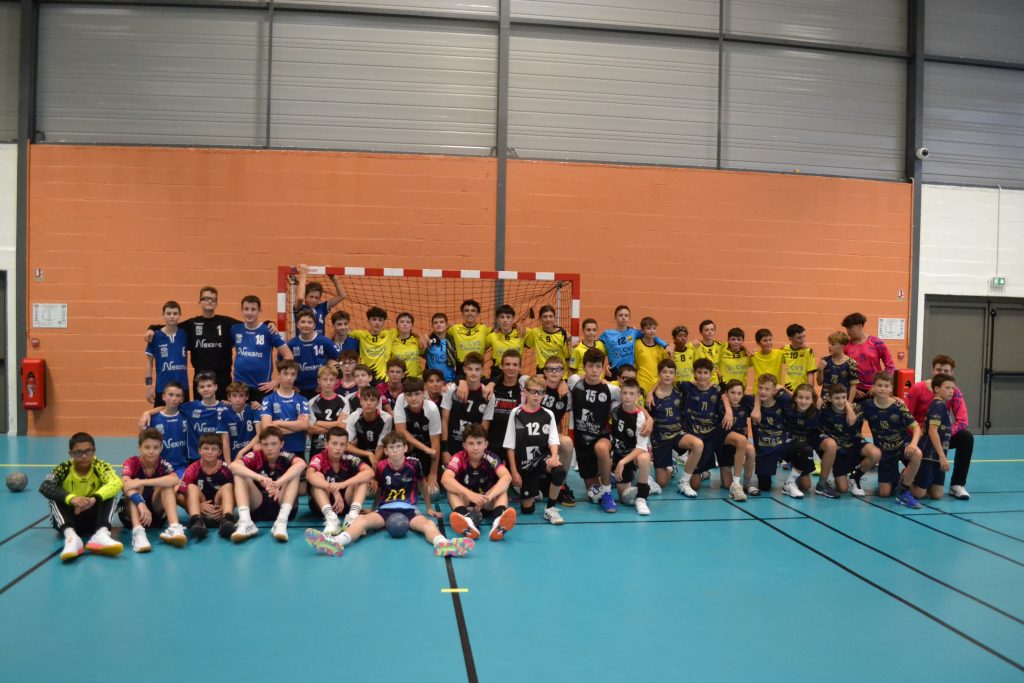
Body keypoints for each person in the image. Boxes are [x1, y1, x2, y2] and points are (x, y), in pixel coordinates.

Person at [304, 432, 474, 558]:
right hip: (385, 509)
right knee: (361, 520)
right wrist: (373, 508)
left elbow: (422, 485)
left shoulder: (414, 464)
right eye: (391, 448)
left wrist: (428, 507)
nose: (395, 451)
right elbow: (380, 489)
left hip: (409, 509)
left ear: (405, 448)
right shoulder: (381, 466)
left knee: (428, 524)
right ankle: (336, 542)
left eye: (399, 447)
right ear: (385, 451)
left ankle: (442, 544)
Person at [144, 286, 253, 401]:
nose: (209, 301)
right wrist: (152, 328)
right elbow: (170, 326)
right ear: (199, 301)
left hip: (223, 380)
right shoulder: (192, 324)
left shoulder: (227, 323)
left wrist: (266, 324)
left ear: (217, 303)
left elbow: (250, 326)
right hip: (201, 381)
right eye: (205, 298)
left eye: (213, 299)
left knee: (223, 411)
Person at [40, 432, 124, 562]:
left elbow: (116, 482)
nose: (84, 456)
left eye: (88, 451)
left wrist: (93, 499)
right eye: (78, 452)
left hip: (94, 519)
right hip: (72, 518)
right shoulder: (64, 468)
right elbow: (45, 486)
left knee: (110, 493)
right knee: (55, 496)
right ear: (71, 454)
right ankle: (72, 538)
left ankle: (101, 534)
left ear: (94, 451)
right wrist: (72, 498)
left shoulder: (100, 466)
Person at [906, 355, 973, 500]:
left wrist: (944, 435)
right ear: (932, 370)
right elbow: (906, 416)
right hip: (918, 435)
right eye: (938, 370)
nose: (942, 373)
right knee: (921, 492)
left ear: (952, 373)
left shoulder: (953, 391)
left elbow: (962, 421)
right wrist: (920, 434)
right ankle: (905, 479)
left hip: (938, 435)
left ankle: (957, 484)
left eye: (946, 371)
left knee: (966, 437)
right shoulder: (918, 388)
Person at [504, 375, 567, 525]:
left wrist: (554, 457)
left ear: (544, 394)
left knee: (559, 471)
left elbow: (553, 440)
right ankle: (532, 492)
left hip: (542, 458)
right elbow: (510, 445)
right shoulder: (516, 413)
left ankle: (550, 508)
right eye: (533, 391)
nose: (536, 395)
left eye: (540, 392)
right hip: (524, 464)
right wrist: (514, 471)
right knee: (527, 510)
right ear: (525, 392)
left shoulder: (548, 414)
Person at [229, 427, 306, 543]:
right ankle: (246, 522)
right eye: (265, 444)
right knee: (239, 473)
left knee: (295, 471)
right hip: (258, 505)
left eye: (274, 444)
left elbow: (302, 464)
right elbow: (233, 466)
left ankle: (281, 522)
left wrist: (278, 483)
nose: (269, 448)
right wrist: (259, 478)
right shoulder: (256, 456)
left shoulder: (287, 456)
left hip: (282, 502)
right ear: (261, 445)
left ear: (281, 444)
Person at [443, 424, 517, 542]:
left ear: (485, 444)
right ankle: (466, 520)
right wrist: (470, 494)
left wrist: (488, 497)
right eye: (471, 443)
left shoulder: (491, 457)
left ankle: (498, 522)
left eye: (479, 443)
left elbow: (507, 477)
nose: (475, 448)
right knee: (451, 490)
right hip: (466, 501)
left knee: (502, 490)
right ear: (465, 445)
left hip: (486, 502)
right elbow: (445, 479)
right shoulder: (459, 457)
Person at [119, 428, 187, 553]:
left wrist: (142, 482)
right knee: (134, 484)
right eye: (147, 447)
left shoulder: (163, 464)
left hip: (156, 516)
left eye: (155, 447)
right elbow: (126, 484)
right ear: (139, 448)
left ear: (161, 448)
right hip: (131, 515)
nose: (151, 451)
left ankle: (174, 527)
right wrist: (140, 502)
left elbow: (174, 480)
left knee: (166, 485)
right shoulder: (132, 462)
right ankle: (138, 533)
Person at [141, 371, 229, 467]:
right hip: (195, 459)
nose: (206, 389)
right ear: (198, 389)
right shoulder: (190, 407)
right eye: (202, 387)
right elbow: (169, 407)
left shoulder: (225, 408)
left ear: (215, 387)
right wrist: (148, 412)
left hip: (217, 458)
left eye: (209, 386)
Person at [861, 372, 923, 508]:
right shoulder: (867, 405)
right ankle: (899, 478)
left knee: (917, 454)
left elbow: (916, 428)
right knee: (884, 493)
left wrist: (913, 444)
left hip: (902, 446)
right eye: (879, 385)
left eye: (886, 386)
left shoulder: (898, 405)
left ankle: (904, 491)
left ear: (891, 388)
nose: (883, 389)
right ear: (873, 387)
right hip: (885, 452)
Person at [569, 349, 619, 512]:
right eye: (590, 366)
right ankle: (607, 478)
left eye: (598, 366)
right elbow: (564, 382)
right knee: (593, 494)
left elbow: (632, 400)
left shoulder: (611, 389)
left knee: (601, 448)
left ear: (603, 368)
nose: (594, 370)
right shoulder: (574, 383)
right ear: (584, 367)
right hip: (582, 443)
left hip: (602, 436)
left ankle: (608, 493)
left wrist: (647, 418)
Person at [676, 358, 733, 498]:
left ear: (710, 374)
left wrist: (729, 411)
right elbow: (667, 380)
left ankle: (704, 471)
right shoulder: (687, 387)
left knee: (727, 483)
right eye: (699, 372)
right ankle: (700, 473)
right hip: (695, 436)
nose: (702, 376)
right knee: (695, 485)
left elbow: (724, 395)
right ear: (694, 373)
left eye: (705, 373)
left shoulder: (716, 390)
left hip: (711, 436)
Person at [750, 375, 814, 498]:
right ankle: (775, 469)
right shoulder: (751, 402)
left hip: (783, 445)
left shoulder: (782, 400)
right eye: (760, 388)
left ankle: (790, 482)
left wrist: (784, 389)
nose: (763, 391)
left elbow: (799, 400)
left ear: (774, 390)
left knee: (806, 451)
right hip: (765, 450)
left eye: (767, 389)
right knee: (764, 486)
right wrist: (757, 407)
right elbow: (727, 396)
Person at [526, 354, 576, 506]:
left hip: (549, 434)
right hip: (529, 432)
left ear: (563, 372)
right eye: (550, 369)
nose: (554, 372)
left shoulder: (567, 394)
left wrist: (563, 382)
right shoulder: (536, 385)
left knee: (567, 442)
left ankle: (560, 483)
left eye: (558, 369)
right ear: (544, 372)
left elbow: (558, 420)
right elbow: (523, 379)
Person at [306, 427, 373, 534]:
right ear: (326, 444)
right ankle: (331, 519)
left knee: (362, 478)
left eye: (342, 444)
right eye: (334, 443)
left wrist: (343, 484)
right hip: (323, 505)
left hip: (346, 504)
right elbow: (309, 476)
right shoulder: (319, 457)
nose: (338, 448)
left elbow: (370, 472)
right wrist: (333, 489)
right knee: (317, 476)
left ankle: (352, 517)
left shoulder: (350, 457)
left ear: (346, 446)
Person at [818, 385, 881, 497]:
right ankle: (837, 474)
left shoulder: (855, 408)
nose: (841, 401)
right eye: (837, 398)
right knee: (843, 489)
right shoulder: (825, 409)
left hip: (855, 444)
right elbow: (815, 400)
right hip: (840, 451)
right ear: (830, 399)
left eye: (844, 398)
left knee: (876, 454)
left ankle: (855, 477)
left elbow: (878, 404)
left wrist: (848, 407)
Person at [232, 295, 293, 402]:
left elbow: (289, 356)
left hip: (261, 388)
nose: (249, 313)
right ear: (241, 310)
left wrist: (277, 381)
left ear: (259, 311)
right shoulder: (235, 329)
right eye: (246, 309)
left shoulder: (268, 330)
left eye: (253, 309)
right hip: (239, 387)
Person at [179, 433, 236, 539]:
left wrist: (226, 507)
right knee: (191, 487)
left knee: (228, 486)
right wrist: (197, 506)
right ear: (199, 450)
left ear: (220, 452)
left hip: (220, 511)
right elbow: (179, 496)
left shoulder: (226, 469)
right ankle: (196, 521)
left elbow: (238, 493)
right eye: (206, 448)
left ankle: (227, 520)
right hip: (200, 511)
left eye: (214, 449)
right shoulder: (192, 469)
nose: (210, 452)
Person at [609, 379, 653, 516]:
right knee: (626, 498)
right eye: (625, 393)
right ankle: (648, 484)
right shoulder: (615, 408)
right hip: (619, 453)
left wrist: (622, 462)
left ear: (638, 396)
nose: (627, 396)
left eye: (632, 394)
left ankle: (642, 497)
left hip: (634, 454)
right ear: (620, 393)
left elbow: (641, 447)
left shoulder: (640, 417)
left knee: (644, 458)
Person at [392, 377, 443, 494]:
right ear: (404, 395)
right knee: (401, 486)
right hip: (408, 447)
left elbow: (435, 443)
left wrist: (433, 474)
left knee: (431, 492)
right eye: (409, 395)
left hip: (427, 447)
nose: (413, 398)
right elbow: (400, 430)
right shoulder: (401, 399)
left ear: (424, 392)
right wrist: (425, 448)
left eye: (417, 394)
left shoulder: (431, 408)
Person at [913, 374, 957, 501]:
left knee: (937, 495)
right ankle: (904, 480)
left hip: (939, 455)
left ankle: (923, 483)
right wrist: (942, 457)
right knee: (919, 494)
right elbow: (932, 431)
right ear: (936, 389)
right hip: (930, 455)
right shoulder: (938, 405)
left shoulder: (942, 405)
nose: (951, 391)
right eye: (947, 388)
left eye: (952, 388)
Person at [441, 352, 488, 465]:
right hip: (452, 446)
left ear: (482, 370)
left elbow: (484, 426)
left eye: (477, 369)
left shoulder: (487, 394)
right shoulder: (451, 389)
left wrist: (479, 451)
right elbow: (444, 420)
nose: (473, 373)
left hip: (473, 449)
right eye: (470, 369)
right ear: (464, 369)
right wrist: (444, 450)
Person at [260, 360, 311, 460]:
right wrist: (297, 425)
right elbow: (266, 428)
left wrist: (277, 423)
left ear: (296, 376)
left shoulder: (302, 400)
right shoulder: (268, 399)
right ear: (279, 375)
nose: (289, 378)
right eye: (285, 373)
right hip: (275, 451)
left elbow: (305, 425)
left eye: (293, 374)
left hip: (297, 449)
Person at [647, 359, 683, 497]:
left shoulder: (680, 390)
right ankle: (671, 465)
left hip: (678, 436)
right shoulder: (651, 398)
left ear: (675, 375)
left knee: (697, 443)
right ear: (659, 374)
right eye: (664, 372)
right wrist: (650, 392)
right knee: (661, 483)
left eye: (671, 372)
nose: (668, 375)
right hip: (660, 439)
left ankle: (698, 472)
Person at [598, 305, 667, 376]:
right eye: (620, 315)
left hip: (629, 372)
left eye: (626, 315)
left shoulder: (634, 332)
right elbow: (598, 350)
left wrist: (665, 345)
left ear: (629, 318)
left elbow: (652, 336)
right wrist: (605, 365)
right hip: (612, 371)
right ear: (615, 317)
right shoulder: (607, 334)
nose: (623, 317)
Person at [287, 308, 340, 399]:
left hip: (320, 389)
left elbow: (338, 359)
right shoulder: (292, 344)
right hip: (298, 390)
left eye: (309, 322)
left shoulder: (324, 341)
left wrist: (326, 380)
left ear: (314, 325)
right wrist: (288, 384)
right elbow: (282, 364)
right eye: (303, 322)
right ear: (297, 325)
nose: (306, 325)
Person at [145, 300, 190, 406]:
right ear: (163, 315)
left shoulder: (185, 334)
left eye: (175, 313)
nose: (172, 316)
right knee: (161, 415)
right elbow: (149, 362)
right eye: (168, 313)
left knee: (183, 416)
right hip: (162, 388)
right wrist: (148, 386)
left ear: (180, 315)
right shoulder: (155, 336)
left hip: (182, 388)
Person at [842, 312, 895, 401]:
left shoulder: (876, 342)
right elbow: (843, 370)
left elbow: (890, 366)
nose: (847, 331)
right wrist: (853, 389)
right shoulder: (846, 346)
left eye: (850, 328)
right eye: (846, 328)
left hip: (876, 391)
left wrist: (879, 386)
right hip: (855, 392)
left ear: (859, 326)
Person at [482, 349, 524, 451]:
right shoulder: (489, 385)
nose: (511, 368)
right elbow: (470, 379)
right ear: (501, 366)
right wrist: (461, 382)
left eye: (515, 365)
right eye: (507, 364)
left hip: (515, 446)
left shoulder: (525, 388)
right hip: (492, 445)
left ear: (520, 367)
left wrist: (561, 381)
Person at [721, 380, 753, 499]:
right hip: (724, 441)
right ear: (727, 393)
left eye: (739, 393)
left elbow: (760, 397)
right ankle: (735, 483)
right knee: (726, 484)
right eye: (732, 392)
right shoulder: (721, 404)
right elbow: (722, 395)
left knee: (751, 450)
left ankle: (746, 484)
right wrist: (728, 410)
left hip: (740, 442)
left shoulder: (746, 404)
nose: (735, 396)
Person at [149, 382, 190, 477]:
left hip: (181, 467)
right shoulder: (153, 419)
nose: (174, 398)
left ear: (182, 399)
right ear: (163, 396)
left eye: (178, 395)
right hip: (160, 466)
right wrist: (147, 413)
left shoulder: (186, 416)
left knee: (181, 483)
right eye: (170, 395)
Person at [293, 263, 347, 334]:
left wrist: (333, 277)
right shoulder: (300, 308)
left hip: (320, 341)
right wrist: (303, 275)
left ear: (319, 299)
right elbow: (300, 298)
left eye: (317, 298)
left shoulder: (322, 308)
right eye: (311, 297)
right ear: (305, 297)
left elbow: (342, 296)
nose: (313, 300)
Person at [346, 387, 393, 466]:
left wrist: (374, 465)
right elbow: (347, 445)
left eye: (372, 400)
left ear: (378, 402)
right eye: (365, 400)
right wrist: (368, 454)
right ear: (360, 401)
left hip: (379, 455)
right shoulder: (353, 417)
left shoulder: (387, 418)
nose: (368, 403)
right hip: (359, 454)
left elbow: (380, 446)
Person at [307, 365, 347, 457]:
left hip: (337, 448)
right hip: (317, 447)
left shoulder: (343, 401)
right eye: (325, 379)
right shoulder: (312, 402)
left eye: (331, 380)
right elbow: (310, 429)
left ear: (337, 381)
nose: (328, 383)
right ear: (319, 381)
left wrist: (319, 423)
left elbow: (344, 426)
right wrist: (337, 423)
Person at [350, 306, 398, 383]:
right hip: (365, 377)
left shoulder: (390, 334)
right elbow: (342, 332)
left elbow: (408, 330)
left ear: (384, 322)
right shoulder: (360, 334)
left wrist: (418, 336)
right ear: (368, 321)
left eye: (380, 320)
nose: (377, 323)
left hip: (383, 378)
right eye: (374, 319)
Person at [447, 299, 492, 375]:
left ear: (478, 314)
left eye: (473, 311)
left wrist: (515, 325)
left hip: (478, 371)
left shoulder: (484, 328)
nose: (470, 313)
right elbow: (440, 331)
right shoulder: (454, 329)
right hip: (461, 371)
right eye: (466, 310)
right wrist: (425, 336)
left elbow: (500, 332)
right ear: (462, 313)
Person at [524, 305, 570, 375]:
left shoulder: (563, 335)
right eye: (545, 317)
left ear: (554, 318)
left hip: (558, 371)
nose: (548, 319)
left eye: (550, 316)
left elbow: (567, 357)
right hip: (542, 371)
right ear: (540, 319)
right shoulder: (535, 332)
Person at [223, 381, 262, 460]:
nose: (238, 399)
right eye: (234, 396)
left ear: (247, 397)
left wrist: (241, 452)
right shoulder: (224, 413)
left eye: (241, 395)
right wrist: (228, 464)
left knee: (258, 447)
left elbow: (260, 434)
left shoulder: (254, 409)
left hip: (250, 454)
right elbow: (225, 441)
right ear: (228, 397)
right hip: (232, 455)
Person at [485, 305, 525, 381]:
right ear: (497, 319)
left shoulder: (522, 333)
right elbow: (481, 349)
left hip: (515, 371)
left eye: (508, 317)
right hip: (497, 373)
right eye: (502, 317)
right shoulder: (492, 336)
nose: (505, 320)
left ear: (513, 319)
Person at [818, 331, 858, 403]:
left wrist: (849, 403)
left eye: (833, 344)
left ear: (842, 346)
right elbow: (819, 383)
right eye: (829, 343)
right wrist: (820, 370)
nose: (829, 346)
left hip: (842, 401)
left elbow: (853, 386)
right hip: (826, 401)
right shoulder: (825, 361)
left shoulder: (851, 363)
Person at [634, 316, 669, 394]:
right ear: (642, 330)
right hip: (641, 383)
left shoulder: (661, 347)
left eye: (654, 328)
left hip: (656, 384)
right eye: (648, 328)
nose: (652, 331)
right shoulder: (636, 344)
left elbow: (664, 367)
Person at [424, 312, 457, 383]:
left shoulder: (453, 341)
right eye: (435, 323)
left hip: (451, 381)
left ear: (447, 325)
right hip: (434, 382)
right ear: (432, 326)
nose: (438, 324)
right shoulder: (428, 342)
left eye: (441, 322)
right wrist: (425, 336)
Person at [782, 324, 816, 393]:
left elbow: (810, 373)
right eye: (799, 338)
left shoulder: (808, 351)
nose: (803, 340)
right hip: (788, 389)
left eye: (804, 336)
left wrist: (810, 391)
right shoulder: (784, 350)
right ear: (790, 338)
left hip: (802, 390)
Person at [392, 312, 423, 379]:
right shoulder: (391, 342)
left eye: (408, 322)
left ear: (412, 326)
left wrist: (422, 336)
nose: (405, 324)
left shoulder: (418, 341)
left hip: (415, 380)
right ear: (397, 325)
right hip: (397, 380)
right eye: (402, 322)